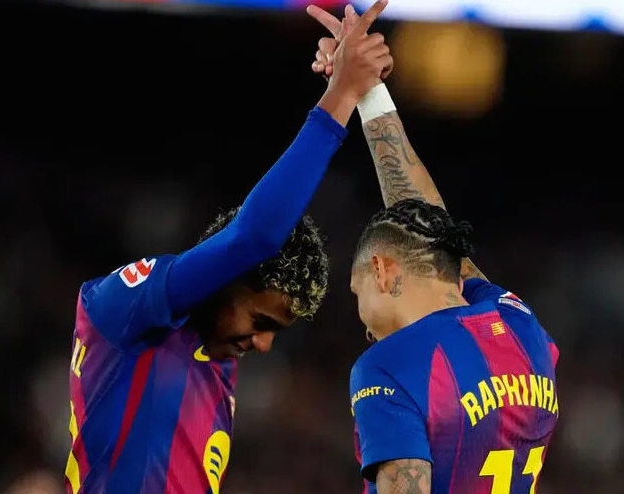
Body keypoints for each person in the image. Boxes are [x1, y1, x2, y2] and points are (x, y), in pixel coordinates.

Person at [64, 3, 393, 493]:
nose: (262, 345)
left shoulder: (217, 364)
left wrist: (367, 92)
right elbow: (256, 235)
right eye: (260, 321)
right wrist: (342, 95)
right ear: (229, 276)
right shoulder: (127, 309)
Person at [307, 5, 560, 493]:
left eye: (358, 295)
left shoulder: (388, 367)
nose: (365, 328)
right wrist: (367, 91)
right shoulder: (521, 326)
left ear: (382, 270)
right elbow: (429, 228)